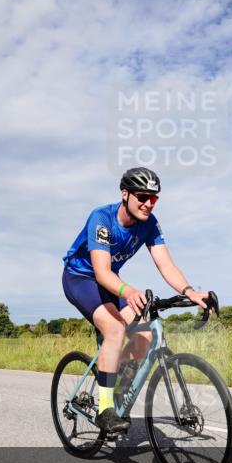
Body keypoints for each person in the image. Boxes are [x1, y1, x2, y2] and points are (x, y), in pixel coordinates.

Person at [62, 167, 211, 433]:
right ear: (125, 194)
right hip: (81, 279)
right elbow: (101, 272)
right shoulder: (102, 218)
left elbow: (166, 265)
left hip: (111, 283)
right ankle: (106, 410)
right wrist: (130, 292)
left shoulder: (149, 224)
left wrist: (190, 291)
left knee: (144, 333)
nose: (148, 203)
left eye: (154, 198)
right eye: (142, 196)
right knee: (116, 329)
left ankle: (116, 386)